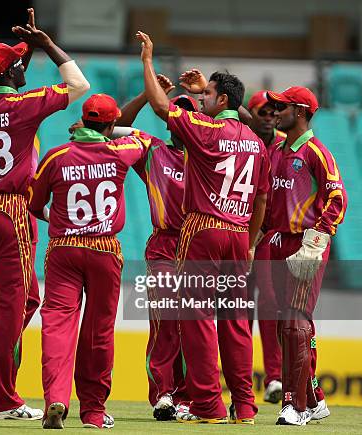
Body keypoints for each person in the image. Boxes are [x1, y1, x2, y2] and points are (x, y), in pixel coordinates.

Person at [0, 8, 89, 421]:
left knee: (26, 298)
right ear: (14, 72)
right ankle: (2, 400)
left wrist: (26, 52)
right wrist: (48, 45)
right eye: (20, 64)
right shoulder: (24, 106)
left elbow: (11, 86)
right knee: (13, 307)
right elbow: (78, 84)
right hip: (12, 209)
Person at [137, 31, 270, 424]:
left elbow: (163, 109)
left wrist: (147, 61)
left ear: (223, 100)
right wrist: (249, 244)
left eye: (207, 95)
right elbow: (261, 200)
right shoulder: (256, 143)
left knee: (196, 322)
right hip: (237, 231)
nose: (201, 100)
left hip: (202, 230)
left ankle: (208, 405)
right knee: (235, 326)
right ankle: (244, 406)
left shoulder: (205, 130)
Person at [29, 94, 149, 429]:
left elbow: (34, 205)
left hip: (64, 247)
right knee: (99, 332)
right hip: (104, 248)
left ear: (83, 119)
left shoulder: (57, 156)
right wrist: (106, 131)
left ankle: (55, 397)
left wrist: (56, 217)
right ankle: (93, 412)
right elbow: (142, 138)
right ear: (110, 125)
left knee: (57, 324)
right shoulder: (121, 150)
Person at [113, 85, 197, 420]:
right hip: (163, 246)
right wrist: (149, 95)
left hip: (197, 245)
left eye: (190, 112)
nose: (182, 118)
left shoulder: (208, 151)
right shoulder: (152, 150)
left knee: (194, 325)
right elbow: (115, 124)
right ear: (168, 119)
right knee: (165, 322)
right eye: (176, 111)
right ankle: (164, 393)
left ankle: (190, 396)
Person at [265, 87, 347, 425]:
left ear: (300, 111)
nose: (275, 112)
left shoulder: (316, 152)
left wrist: (316, 239)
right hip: (280, 242)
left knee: (294, 321)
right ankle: (314, 400)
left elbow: (337, 199)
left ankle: (294, 405)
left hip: (306, 244)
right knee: (294, 322)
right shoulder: (277, 150)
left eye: (281, 107)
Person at [246, 90, 285, 404]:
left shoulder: (285, 144)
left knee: (271, 307)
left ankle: (274, 377)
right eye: (263, 111)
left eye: (273, 112)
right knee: (239, 309)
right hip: (242, 235)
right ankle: (242, 378)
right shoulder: (241, 140)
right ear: (251, 113)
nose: (270, 116)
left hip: (270, 237)